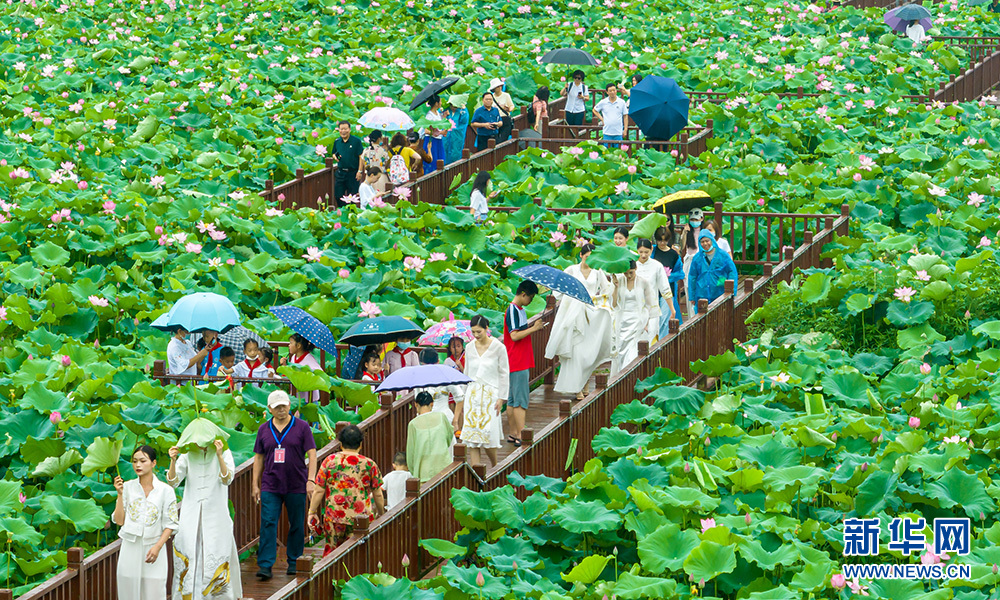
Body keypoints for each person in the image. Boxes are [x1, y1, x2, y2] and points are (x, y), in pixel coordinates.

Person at [167, 426, 242, 600]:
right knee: (189, 549)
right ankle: (189, 594)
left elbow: (227, 478)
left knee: (216, 549)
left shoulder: (223, 452)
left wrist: (219, 455)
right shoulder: (187, 454)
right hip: (191, 511)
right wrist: (173, 460)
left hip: (216, 512)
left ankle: (217, 595)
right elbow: (173, 482)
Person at [252, 391, 317, 580]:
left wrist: (310, 479)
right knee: (268, 522)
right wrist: (255, 484)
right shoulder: (264, 429)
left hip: (296, 482)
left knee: (296, 523)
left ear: (289, 405)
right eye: (277, 407)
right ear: (270, 408)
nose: (281, 410)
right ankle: (265, 564)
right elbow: (258, 457)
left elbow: (312, 454)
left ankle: (294, 560)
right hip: (271, 483)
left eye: (284, 405)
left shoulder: (302, 427)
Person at [544, 243, 614, 399]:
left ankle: (585, 383)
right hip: (573, 313)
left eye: (592, 257)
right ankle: (577, 388)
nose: (589, 260)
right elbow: (558, 290)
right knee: (576, 350)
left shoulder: (598, 272)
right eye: (587, 256)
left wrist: (597, 298)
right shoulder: (571, 270)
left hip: (591, 312)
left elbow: (608, 289)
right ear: (581, 255)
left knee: (588, 351)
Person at [113, 446, 179, 600]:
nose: (138, 465)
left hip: (154, 548)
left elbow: (171, 524)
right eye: (135, 461)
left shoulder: (165, 490)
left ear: (153, 463)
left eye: (143, 461)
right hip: (130, 546)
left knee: (154, 590)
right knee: (127, 588)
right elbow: (119, 520)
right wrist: (120, 495)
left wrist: (157, 547)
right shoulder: (127, 487)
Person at [309, 425, 384, 552]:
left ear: (341, 444)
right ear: (360, 444)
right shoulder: (369, 464)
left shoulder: (329, 461)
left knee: (331, 552)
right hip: (361, 517)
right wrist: (381, 513)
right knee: (360, 553)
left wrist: (312, 511)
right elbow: (377, 493)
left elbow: (319, 489)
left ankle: (331, 572)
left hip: (334, 515)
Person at [455, 315, 509, 468]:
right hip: (473, 392)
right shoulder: (470, 347)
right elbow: (467, 371)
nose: (476, 335)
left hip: (491, 393)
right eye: (473, 332)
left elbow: (504, 373)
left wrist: (501, 397)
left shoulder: (499, 347)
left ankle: (494, 464)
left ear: (486, 329)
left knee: (489, 434)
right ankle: (476, 472)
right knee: (472, 437)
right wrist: (464, 396)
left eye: (479, 331)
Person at [503, 281, 545, 446]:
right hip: (517, 360)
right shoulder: (513, 310)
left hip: (516, 359)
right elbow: (514, 336)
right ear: (523, 294)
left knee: (513, 400)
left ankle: (513, 433)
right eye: (531, 297)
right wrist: (534, 328)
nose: (530, 301)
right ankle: (521, 435)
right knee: (520, 400)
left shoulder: (520, 310)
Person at [611, 260, 660, 375]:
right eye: (626, 273)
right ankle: (620, 374)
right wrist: (615, 287)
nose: (628, 276)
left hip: (638, 319)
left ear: (636, 269)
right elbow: (613, 304)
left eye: (631, 273)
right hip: (622, 319)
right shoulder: (620, 281)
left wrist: (646, 322)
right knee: (621, 348)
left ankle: (629, 373)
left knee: (632, 349)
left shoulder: (643, 282)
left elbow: (650, 304)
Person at [407, 391, 455, 481]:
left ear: (416, 404)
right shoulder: (441, 417)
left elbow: (411, 450)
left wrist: (413, 470)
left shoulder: (413, 424)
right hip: (443, 464)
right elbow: (449, 436)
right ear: (432, 404)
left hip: (423, 468)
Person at [688, 230, 738, 312]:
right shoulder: (697, 258)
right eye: (702, 242)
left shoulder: (723, 255)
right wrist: (692, 296)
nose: (705, 244)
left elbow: (732, 272)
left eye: (707, 241)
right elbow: (692, 276)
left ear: (712, 240)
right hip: (702, 295)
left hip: (720, 293)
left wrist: (733, 291)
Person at [636, 239, 675, 339]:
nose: (643, 255)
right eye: (641, 252)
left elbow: (664, 288)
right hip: (635, 308)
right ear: (637, 251)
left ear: (651, 250)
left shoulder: (657, 266)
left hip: (652, 308)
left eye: (646, 252)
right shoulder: (633, 265)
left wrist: (672, 309)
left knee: (651, 337)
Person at [651, 225, 686, 328]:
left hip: (667, 290)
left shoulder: (674, 255)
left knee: (665, 320)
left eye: (664, 240)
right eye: (659, 240)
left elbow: (680, 273)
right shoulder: (652, 251)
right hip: (652, 290)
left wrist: (667, 276)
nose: (662, 243)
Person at [417, 348, 461, 425]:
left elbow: (460, 397)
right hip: (425, 420)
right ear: (438, 361)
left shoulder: (446, 376)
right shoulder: (419, 378)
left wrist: (455, 420)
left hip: (444, 419)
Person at [279, 333, 322, 403]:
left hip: (309, 399)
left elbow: (319, 373)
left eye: (291, 343)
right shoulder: (293, 357)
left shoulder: (309, 358)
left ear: (298, 345)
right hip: (296, 397)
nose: (289, 345)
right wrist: (284, 366)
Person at [333, 120, 364, 207]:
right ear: (338, 130)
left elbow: (361, 156)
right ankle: (343, 211)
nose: (343, 131)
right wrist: (335, 157)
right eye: (341, 129)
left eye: (345, 129)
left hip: (353, 173)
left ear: (349, 129)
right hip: (341, 172)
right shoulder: (337, 141)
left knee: (353, 197)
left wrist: (360, 171)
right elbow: (333, 153)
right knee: (338, 195)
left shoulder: (356, 141)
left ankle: (351, 213)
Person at [681, 208, 704, 316]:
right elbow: (682, 247)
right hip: (689, 261)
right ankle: (691, 316)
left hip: (701, 262)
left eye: (696, 219)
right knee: (688, 287)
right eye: (692, 219)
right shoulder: (688, 232)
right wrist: (685, 232)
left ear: (701, 218)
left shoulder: (705, 232)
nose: (694, 221)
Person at [421, 94, 449, 173]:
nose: (441, 103)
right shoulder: (429, 115)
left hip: (438, 141)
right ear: (436, 103)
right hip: (431, 141)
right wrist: (440, 132)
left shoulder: (437, 112)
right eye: (440, 101)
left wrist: (444, 116)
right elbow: (426, 130)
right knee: (432, 162)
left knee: (440, 160)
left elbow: (439, 124)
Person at [442, 94, 470, 164]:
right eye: (451, 105)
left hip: (457, 136)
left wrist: (453, 129)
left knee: (456, 153)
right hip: (446, 136)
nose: (453, 108)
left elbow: (463, 123)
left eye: (455, 106)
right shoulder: (446, 110)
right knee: (444, 151)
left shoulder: (463, 111)